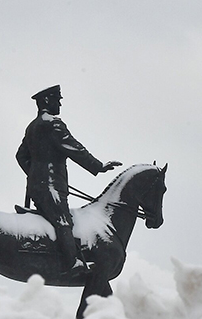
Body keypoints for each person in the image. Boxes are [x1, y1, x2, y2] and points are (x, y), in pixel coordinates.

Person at [16, 85, 122, 269]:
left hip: (38, 186)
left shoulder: (32, 127)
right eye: (58, 100)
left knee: (54, 220)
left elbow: (20, 156)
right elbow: (74, 148)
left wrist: (34, 175)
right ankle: (72, 264)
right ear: (47, 101)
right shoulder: (53, 123)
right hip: (51, 186)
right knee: (63, 221)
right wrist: (98, 166)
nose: (60, 104)